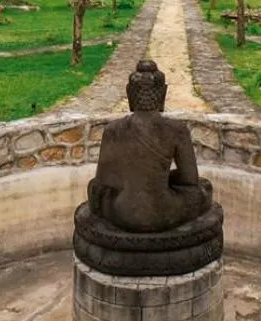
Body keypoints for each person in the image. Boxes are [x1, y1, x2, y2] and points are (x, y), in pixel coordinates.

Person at [87, 60, 212, 232]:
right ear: (163, 94)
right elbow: (189, 179)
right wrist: (161, 177)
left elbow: (103, 182)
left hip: (121, 213)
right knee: (204, 187)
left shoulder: (113, 130)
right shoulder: (177, 130)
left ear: (129, 93)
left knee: (95, 189)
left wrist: (133, 179)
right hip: (164, 212)